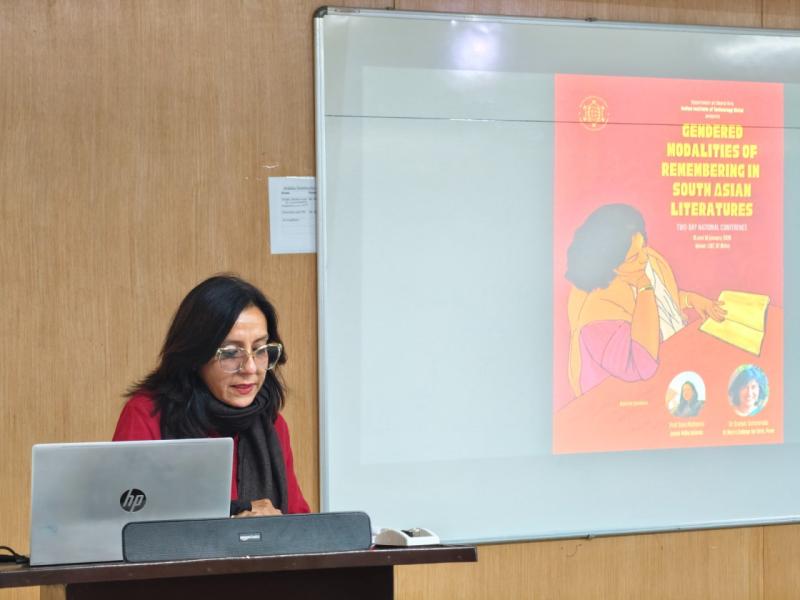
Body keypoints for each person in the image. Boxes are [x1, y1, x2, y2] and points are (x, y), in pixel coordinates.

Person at [113, 275, 310, 517]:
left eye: (260, 349)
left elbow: (299, 522)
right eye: (230, 353)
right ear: (196, 355)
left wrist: (276, 526)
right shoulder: (147, 415)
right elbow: (125, 516)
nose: (250, 368)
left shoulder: (272, 423)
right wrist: (237, 515)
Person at [565, 204, 726, 397]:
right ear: (608, 265)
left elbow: (663, 301)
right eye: (633, 257)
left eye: (643, 247)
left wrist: (692, 300)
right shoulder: (597, 313)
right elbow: (643, 363)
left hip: (672, 366)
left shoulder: (644, 262)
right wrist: (644, 287)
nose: (644, 258)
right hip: (624, 398)